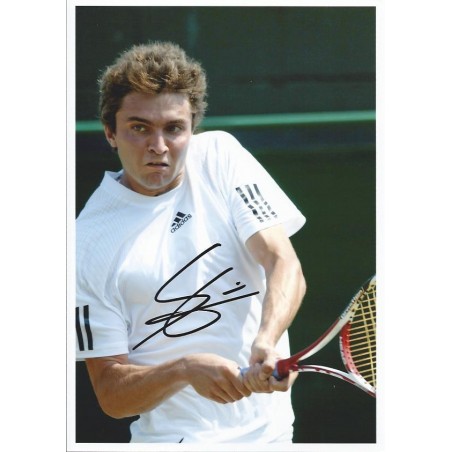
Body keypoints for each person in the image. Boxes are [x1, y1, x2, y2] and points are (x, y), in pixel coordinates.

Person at [76, 41, 307, 444]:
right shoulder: (83, 244)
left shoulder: (221, 156)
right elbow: (111, 394)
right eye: (139, 128)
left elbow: (282, 262)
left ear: (191, 129)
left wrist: (267, 340)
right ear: (110, 132)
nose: (158, 146)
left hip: (273, 435)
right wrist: (183, 370)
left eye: (174, 128)